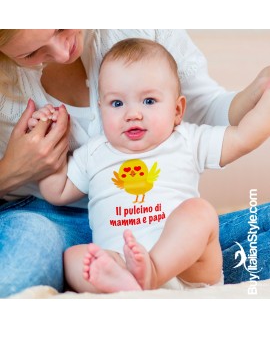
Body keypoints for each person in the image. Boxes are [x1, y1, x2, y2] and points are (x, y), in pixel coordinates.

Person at [0, 29, 269, 297]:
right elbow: (56, 191)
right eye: (116, 103)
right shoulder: (96, 152)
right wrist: (45, 141)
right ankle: (129, 284)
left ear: (177, 110)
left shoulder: (186, 139)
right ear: (100, 105)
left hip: (185, 265)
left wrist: (264, 96)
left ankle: (153, 271)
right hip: (117, 259)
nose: (133, 114)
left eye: (149, 101)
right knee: (73, 258)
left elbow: (243, 137)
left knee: (199, 214)